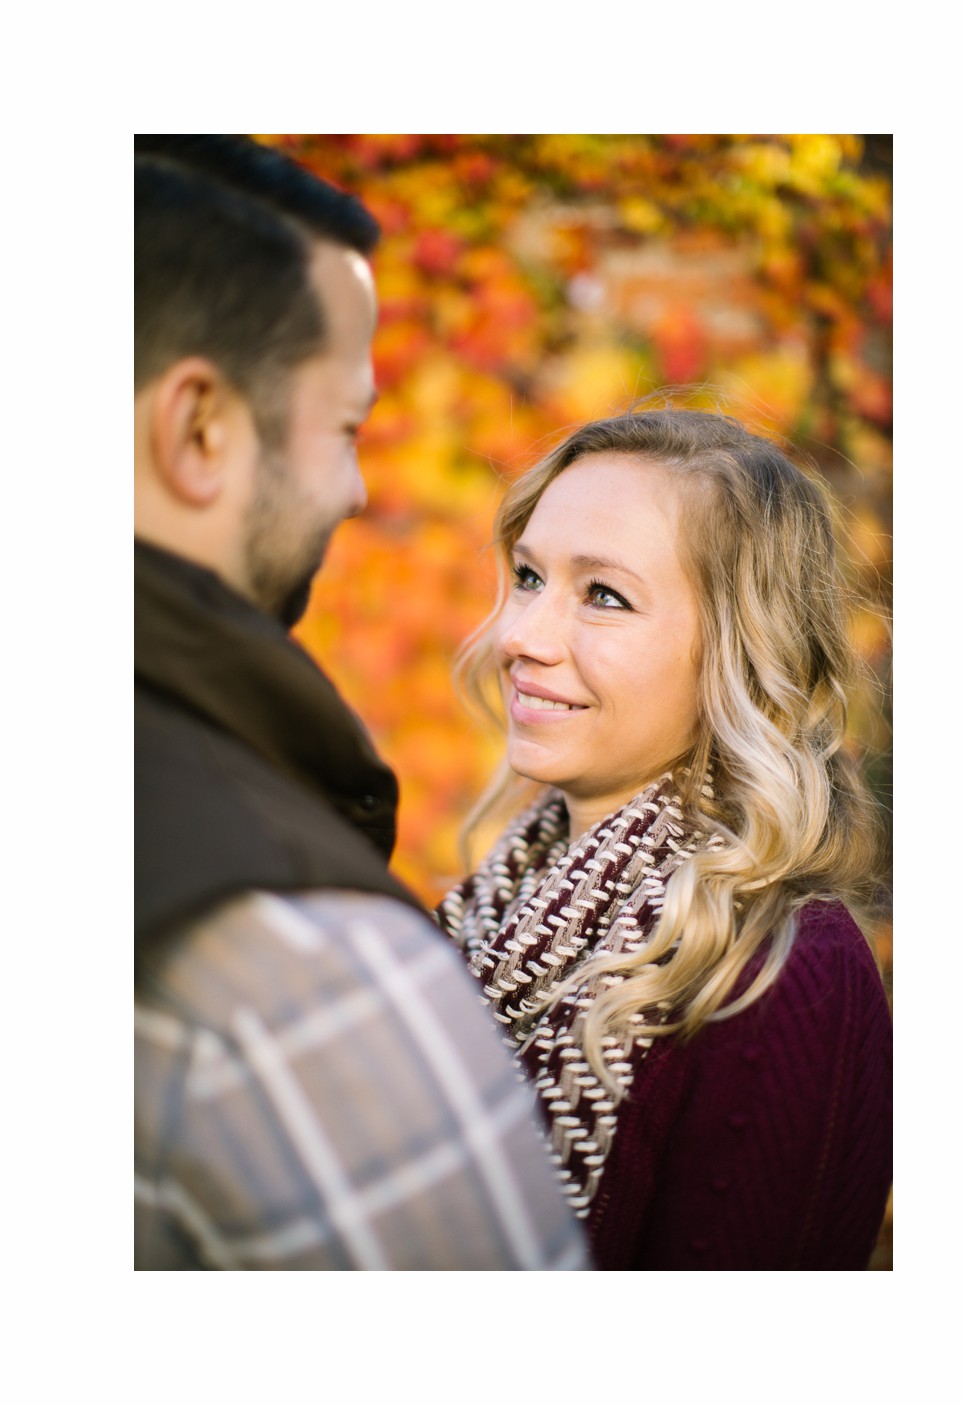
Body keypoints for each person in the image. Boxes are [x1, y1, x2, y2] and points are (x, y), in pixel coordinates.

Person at [135, 135, 588, 1270]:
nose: (358, 487)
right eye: (345, 427)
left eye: (607, 594)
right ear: (198, 431)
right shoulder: (292, 969)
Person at [437, 408, 892, 1270]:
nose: (519, 636)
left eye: (603, 596)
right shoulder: (489, 911)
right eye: (529, 577)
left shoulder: (780, 974)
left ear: (739, 654)